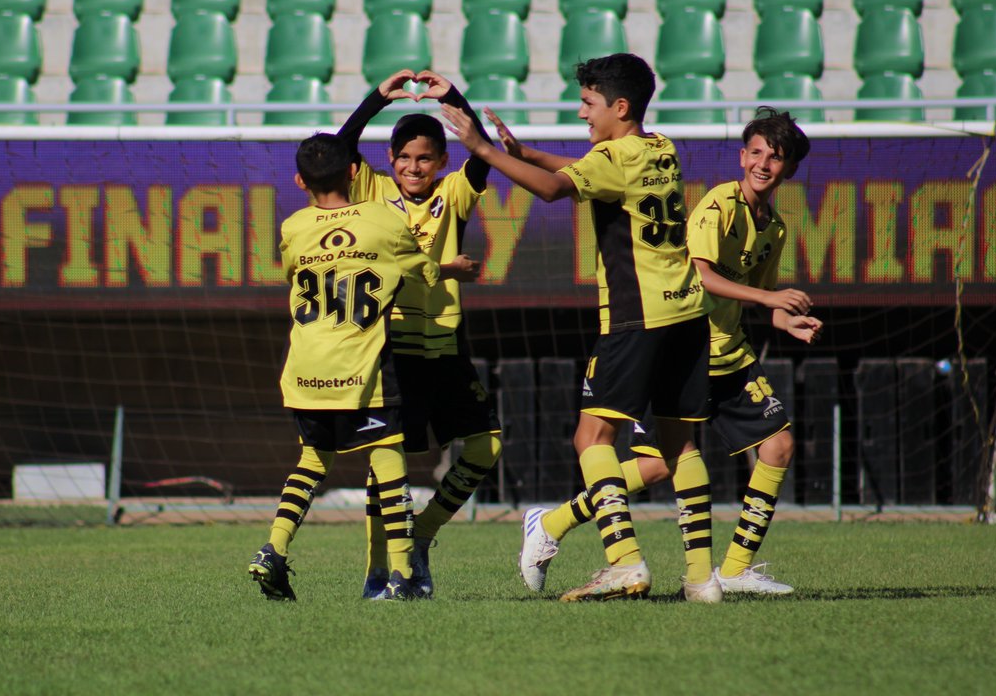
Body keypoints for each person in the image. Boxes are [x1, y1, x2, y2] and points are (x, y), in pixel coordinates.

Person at [442, 53, 721, 602]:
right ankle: (701, 579)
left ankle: (624, 563)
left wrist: (485, 151)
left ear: (620, 106)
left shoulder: (613, 156)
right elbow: (597, 168)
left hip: (636, 316)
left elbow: (554, 190)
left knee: (591, 437)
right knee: (679, 446)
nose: (581, 111)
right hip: (688, 312)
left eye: (590, 103)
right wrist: (525, 153)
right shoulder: (661, 147)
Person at [517, 107, 823, 596]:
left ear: (790, 169)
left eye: (777, 158)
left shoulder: (775, 227)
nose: (765, 164)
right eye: (758, 153)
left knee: (778, 445)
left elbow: (754, 291)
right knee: (661, 463)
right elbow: (699, 274)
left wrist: (784, 317)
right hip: (685, 341)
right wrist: (768, 299)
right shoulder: (718, 206)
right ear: (743, 157)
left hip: (730, 354)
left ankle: (735, 568)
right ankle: (553, 522)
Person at [248, 132, 479, 601]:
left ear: (298, 181)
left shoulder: (292, 227)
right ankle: (402, 575)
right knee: (388, 459)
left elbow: (294, 268)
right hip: (363, 367)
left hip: (305, 370)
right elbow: (423, 270)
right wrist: (451, 268)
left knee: (312, 462)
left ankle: (273, 547)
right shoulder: (383, 219)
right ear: (355, 172)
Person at [336, 69, 502, 599]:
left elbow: (483, 150)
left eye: (424, 157)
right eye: (404, 157)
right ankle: (377, 573)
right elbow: (337, 148)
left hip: (447, 345)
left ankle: (422, 534)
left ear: (441, 163)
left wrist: (452, 96)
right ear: (390, 161)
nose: (413, 167)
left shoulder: (454, 193)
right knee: (387, 463)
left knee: (485, 447)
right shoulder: (371, 189)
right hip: (391, 347)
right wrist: (376, 99)